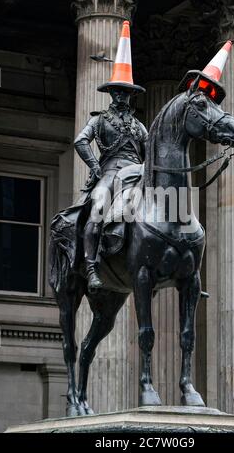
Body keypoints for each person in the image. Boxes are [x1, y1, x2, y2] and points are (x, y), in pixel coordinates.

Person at [75, 42, 147, 292]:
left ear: (130, 95)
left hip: (137, 174)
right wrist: (94, 166)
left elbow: (150, 154)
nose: (120, 95)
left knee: (171, 209)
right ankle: (92, 266)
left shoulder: (139, 127)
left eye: (124, 92)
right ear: (110, 93)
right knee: (97, 210)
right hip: (110, 172)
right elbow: (80, 141)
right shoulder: (99, 120)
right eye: (116, 91)